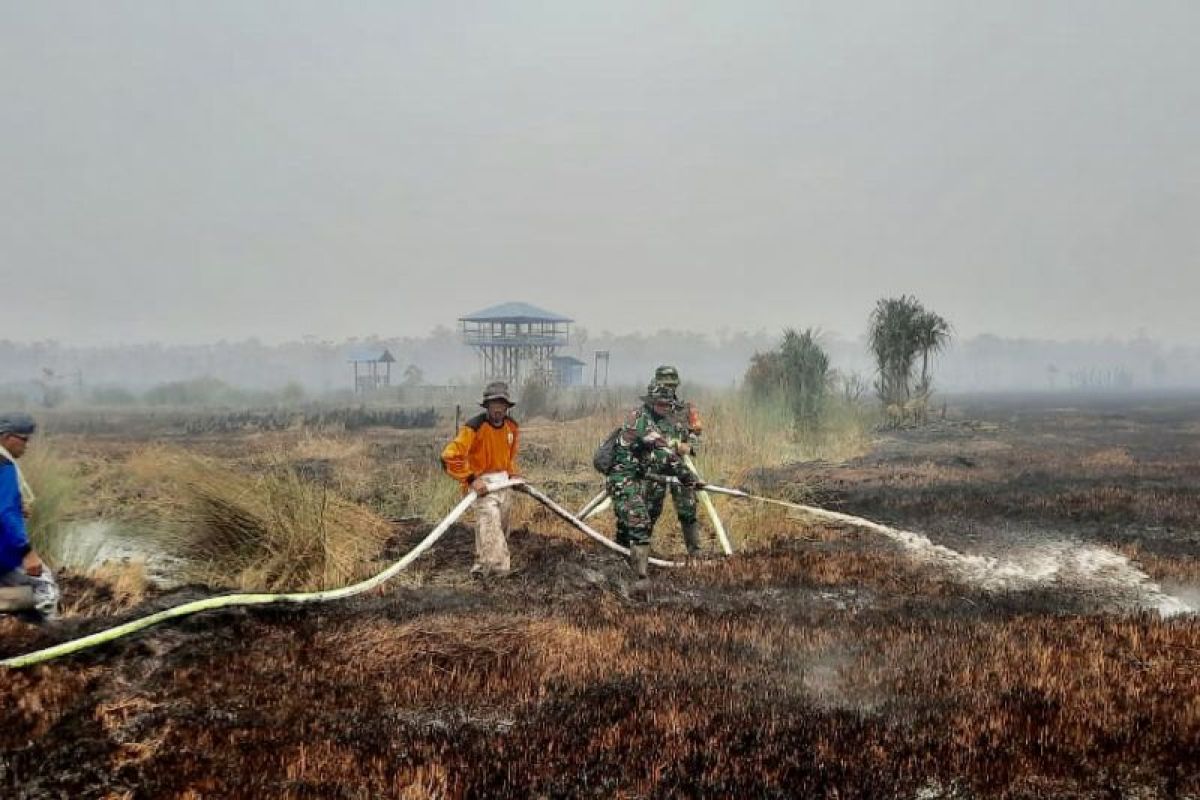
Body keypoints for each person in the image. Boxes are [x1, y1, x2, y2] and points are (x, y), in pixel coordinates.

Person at [605, 384, 698, 580]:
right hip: (622, 478)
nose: (666, 409)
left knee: (627, 526)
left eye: (668, 405)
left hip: (638, 477)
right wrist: (688, 476)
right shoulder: (641, 420)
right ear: (652, 403)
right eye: (662, 405)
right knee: (639, 520)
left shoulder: (654, 421)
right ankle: (641, 579)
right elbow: (664, 453)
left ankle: (618, 566)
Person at [441, 382, 522, 577]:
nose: (498, 409)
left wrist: (513, 475)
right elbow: (449, 457)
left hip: (504, 483)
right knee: (490, 523)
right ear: (486, 406)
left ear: (507, 406)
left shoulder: (512, 427)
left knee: (497, 528)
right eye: (494, 404)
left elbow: (508, 458)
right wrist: (471, 479)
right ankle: (499, 570)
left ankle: (481, 566)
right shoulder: (474, 428)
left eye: (502, 404)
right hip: (482, 484)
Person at [0, 412, 60, 622]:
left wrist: (15, 505)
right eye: (23, 439)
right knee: (45, 589)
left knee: (19, 592)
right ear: (7, 438)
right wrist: (26, 551)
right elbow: (5, 512)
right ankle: (56, 644)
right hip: (4, 553)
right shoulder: (3, 465)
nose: (26, 446)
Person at [650, 365, 707, 556]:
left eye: (672, 385)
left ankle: (695, 552)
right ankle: (640, 550)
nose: (669, 389)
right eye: (665, 385)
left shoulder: (686, 410)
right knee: (650, 508)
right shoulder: (649, 410)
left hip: (680, 468)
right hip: (654, 466)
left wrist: (690, 446)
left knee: (688, 509)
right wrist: (671, 444)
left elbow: (698, 441)